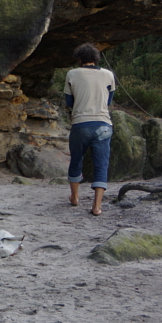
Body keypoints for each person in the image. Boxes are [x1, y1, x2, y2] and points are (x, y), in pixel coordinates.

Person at [64, 42, 116, 216]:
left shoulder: (72, 74)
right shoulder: (108, 74)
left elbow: (69, 102)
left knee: (76, 161)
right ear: (95, 59)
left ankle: (75, 197)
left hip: (80, 124)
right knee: (101, 165)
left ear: (79, 59)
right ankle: (97, 206)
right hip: (103, 124)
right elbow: (109, 101)